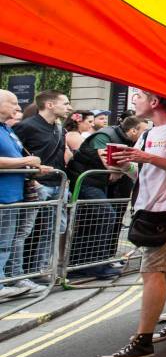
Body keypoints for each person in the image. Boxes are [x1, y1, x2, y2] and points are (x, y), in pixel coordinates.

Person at [98, 91, 166, 357]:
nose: (134, 100)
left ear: (155, 102)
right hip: (148, 208)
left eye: (139, 96)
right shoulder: (147, 134)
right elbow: (145, 174)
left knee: (152, 269)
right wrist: (123, 166)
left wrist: (146, 158)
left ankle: (142, 342)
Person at [64, 115, 146, 278]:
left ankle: (84, 264)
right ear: (133, 130)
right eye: (144, 130)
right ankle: (93, 265)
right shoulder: (106, 135)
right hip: (85, 181)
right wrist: (119, 169)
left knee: (93, 221)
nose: (147, 133)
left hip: (97, 183)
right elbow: (108, 163)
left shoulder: (127, 140)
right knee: (105, 215)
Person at [0, 90, 51, 300]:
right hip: (3, 197)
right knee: (2, 243)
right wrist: (26, 162)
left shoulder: (5, 129)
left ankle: (11, 279)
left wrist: (34, 168)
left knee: (10, 242)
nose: (18, 107)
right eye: (12, 103)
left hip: (14, 195)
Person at [14, 90, 72, 271]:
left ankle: (39, 270)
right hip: (37, 186)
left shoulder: (60, 128)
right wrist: (32, 179)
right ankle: (16, 275)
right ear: (50, 105)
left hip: (58, 185)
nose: (69, 107)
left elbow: (60, 156)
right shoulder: (26, 126)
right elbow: (16, 155)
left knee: (54, 230)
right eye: (65, 103)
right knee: (25, 231)